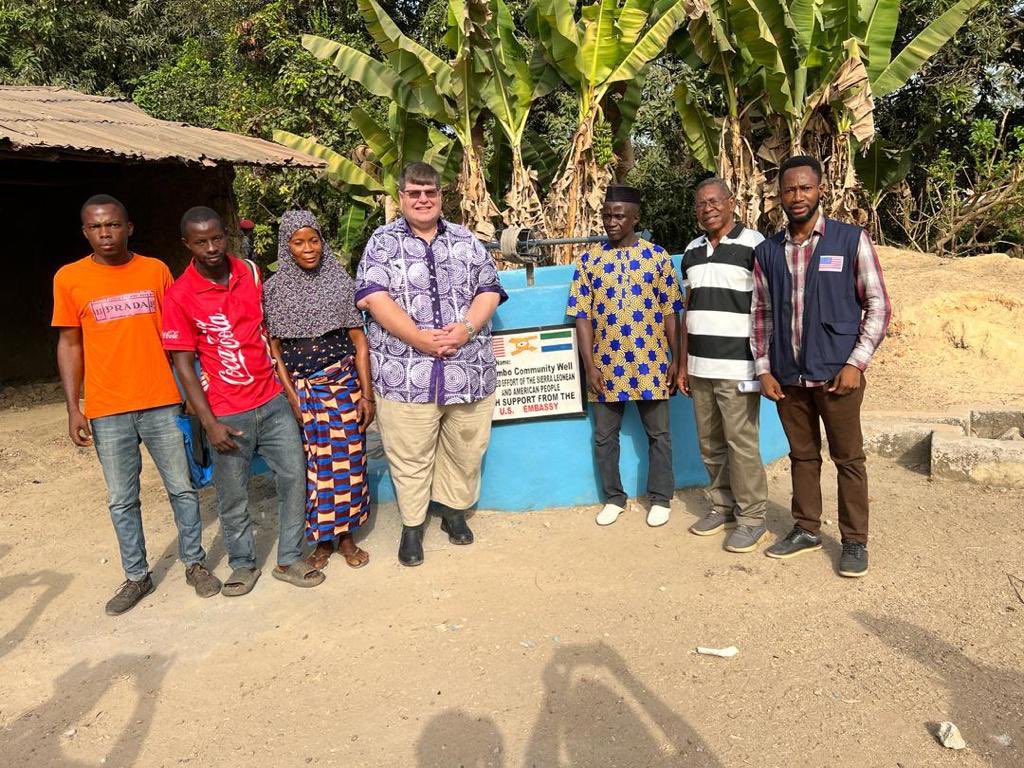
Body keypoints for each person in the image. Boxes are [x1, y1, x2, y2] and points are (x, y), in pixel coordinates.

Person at [53, 194, 220, 616]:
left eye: (112, 225)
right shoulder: (69, 279)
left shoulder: (155, 271)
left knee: (182, 487)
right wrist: (74, 406)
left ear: (130, 227)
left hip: (162, 401)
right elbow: (70, 344)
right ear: (85, 232)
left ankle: (195, 563)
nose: (105, 233)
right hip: (107, 409)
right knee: (122, 499)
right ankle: (136, 575)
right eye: (95, 227)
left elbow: (179, 333)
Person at [161, 206, 325, 595]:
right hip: (226, 411)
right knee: (233, 494)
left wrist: (287, 391)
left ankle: (289, 558)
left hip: (271, 401)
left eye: (218, 237)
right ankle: (242, 563)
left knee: (293, 477)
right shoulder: (180, 296)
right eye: (201, 242)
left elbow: (268, 331)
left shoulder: (249, 272)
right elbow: (183, 365)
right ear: (187, 244)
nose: (212, 247)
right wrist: (208, 421)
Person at [354, 162, 507, 566]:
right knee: (409, 455)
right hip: (404, 374)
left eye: (430, 193)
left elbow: (490, 290)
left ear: (441, 196)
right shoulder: (381, 243)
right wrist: (419, 337)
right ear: (401, 197)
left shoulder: (465, 240)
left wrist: (467, 328)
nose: (422, 200)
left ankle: (454, 513)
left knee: (465, 448)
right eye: (414, 193)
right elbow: (373, 297)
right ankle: (412, 527)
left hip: (468, 370)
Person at [752, 155, 891, 577]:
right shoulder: (767, 251)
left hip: (838, 377)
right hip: (788, 377)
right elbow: (761, 313)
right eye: (789, 190)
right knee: (802, 456)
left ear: (821, 190)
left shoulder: (850, 240)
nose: (797, 197)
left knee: (848, 459)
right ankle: (806, 529)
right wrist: (763, 368)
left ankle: (854, 542)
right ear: (779, 196)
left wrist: (857, 363)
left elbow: (878, 305)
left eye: (805, 188)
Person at [567, 185, 683, 528]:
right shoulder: (589, 261)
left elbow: (671, 312)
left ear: (635, 218)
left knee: (659, 435)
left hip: (652, 361)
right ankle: (614, 498)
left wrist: (676, 359)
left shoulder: (657, 257)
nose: (611, 221)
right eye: (606, 215)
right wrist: (590, 366)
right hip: (606, 365)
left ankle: (661, 498)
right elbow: (582, 315)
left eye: (618, 215)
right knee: (604, 437)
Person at [264, 210, 374, 571]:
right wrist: (293, 397)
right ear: (287, 246)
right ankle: (322, 540)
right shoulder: (274, 291)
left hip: (342, 386)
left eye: (314, 240)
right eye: (298, 242)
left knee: (349, 464)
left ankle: (346, 538)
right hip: (303, 390)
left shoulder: (341, 282)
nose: (308, 249)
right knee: (314, 468)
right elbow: (275, 350)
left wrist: (366, 394)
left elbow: (359, 342)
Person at [678, 178, 769, 553]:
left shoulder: (756, 246)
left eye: (715, 201)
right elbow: (687, 311)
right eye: (701, 204)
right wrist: (683, 365)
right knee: (710, 443)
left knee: (741, 444)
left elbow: (766, 309)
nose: (708, 209)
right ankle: (722, 505)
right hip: (700, 367)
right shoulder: (692, 251)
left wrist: (763, 365)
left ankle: (752, 518)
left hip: (739, 367)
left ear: (732, 203)